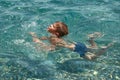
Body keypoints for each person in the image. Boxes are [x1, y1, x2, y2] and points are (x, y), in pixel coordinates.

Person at [29, 21, 114, 60]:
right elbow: (47, 38)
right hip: (76, 44)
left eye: (52, 26)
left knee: (91, 58)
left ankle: (102, 50)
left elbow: (50, 47)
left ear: (56, 33)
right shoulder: (53, 36)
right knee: (91, 48)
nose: (50, 25)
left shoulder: (55, 39)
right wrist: (38, 38)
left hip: (75, 49)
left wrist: (36, 40)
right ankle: (91, 39)